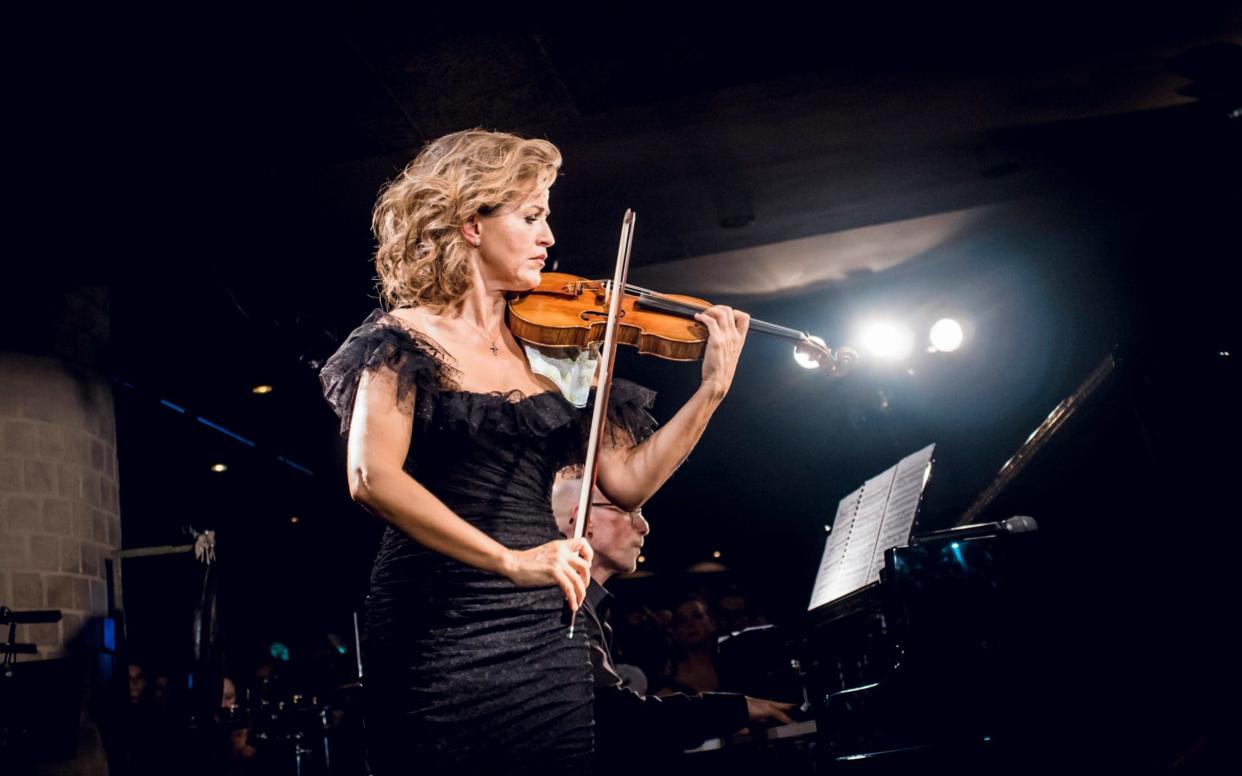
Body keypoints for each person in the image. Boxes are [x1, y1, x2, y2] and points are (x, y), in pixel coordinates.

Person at [319, 129, 750, 773]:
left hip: (544, 627)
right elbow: (371, 477)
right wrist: (510, 561)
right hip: (438, 626)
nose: (549, 235)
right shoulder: (401, 337)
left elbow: (627, 482)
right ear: (471, 223)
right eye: (531, 216)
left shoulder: (554, 354)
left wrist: (712, 390)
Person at [551, 474, 795, 772]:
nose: (644, 526)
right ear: (585, 521)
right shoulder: (564, 605)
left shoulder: (591, 609)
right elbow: (619, 723)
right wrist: (735, 710)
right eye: (631, 510)